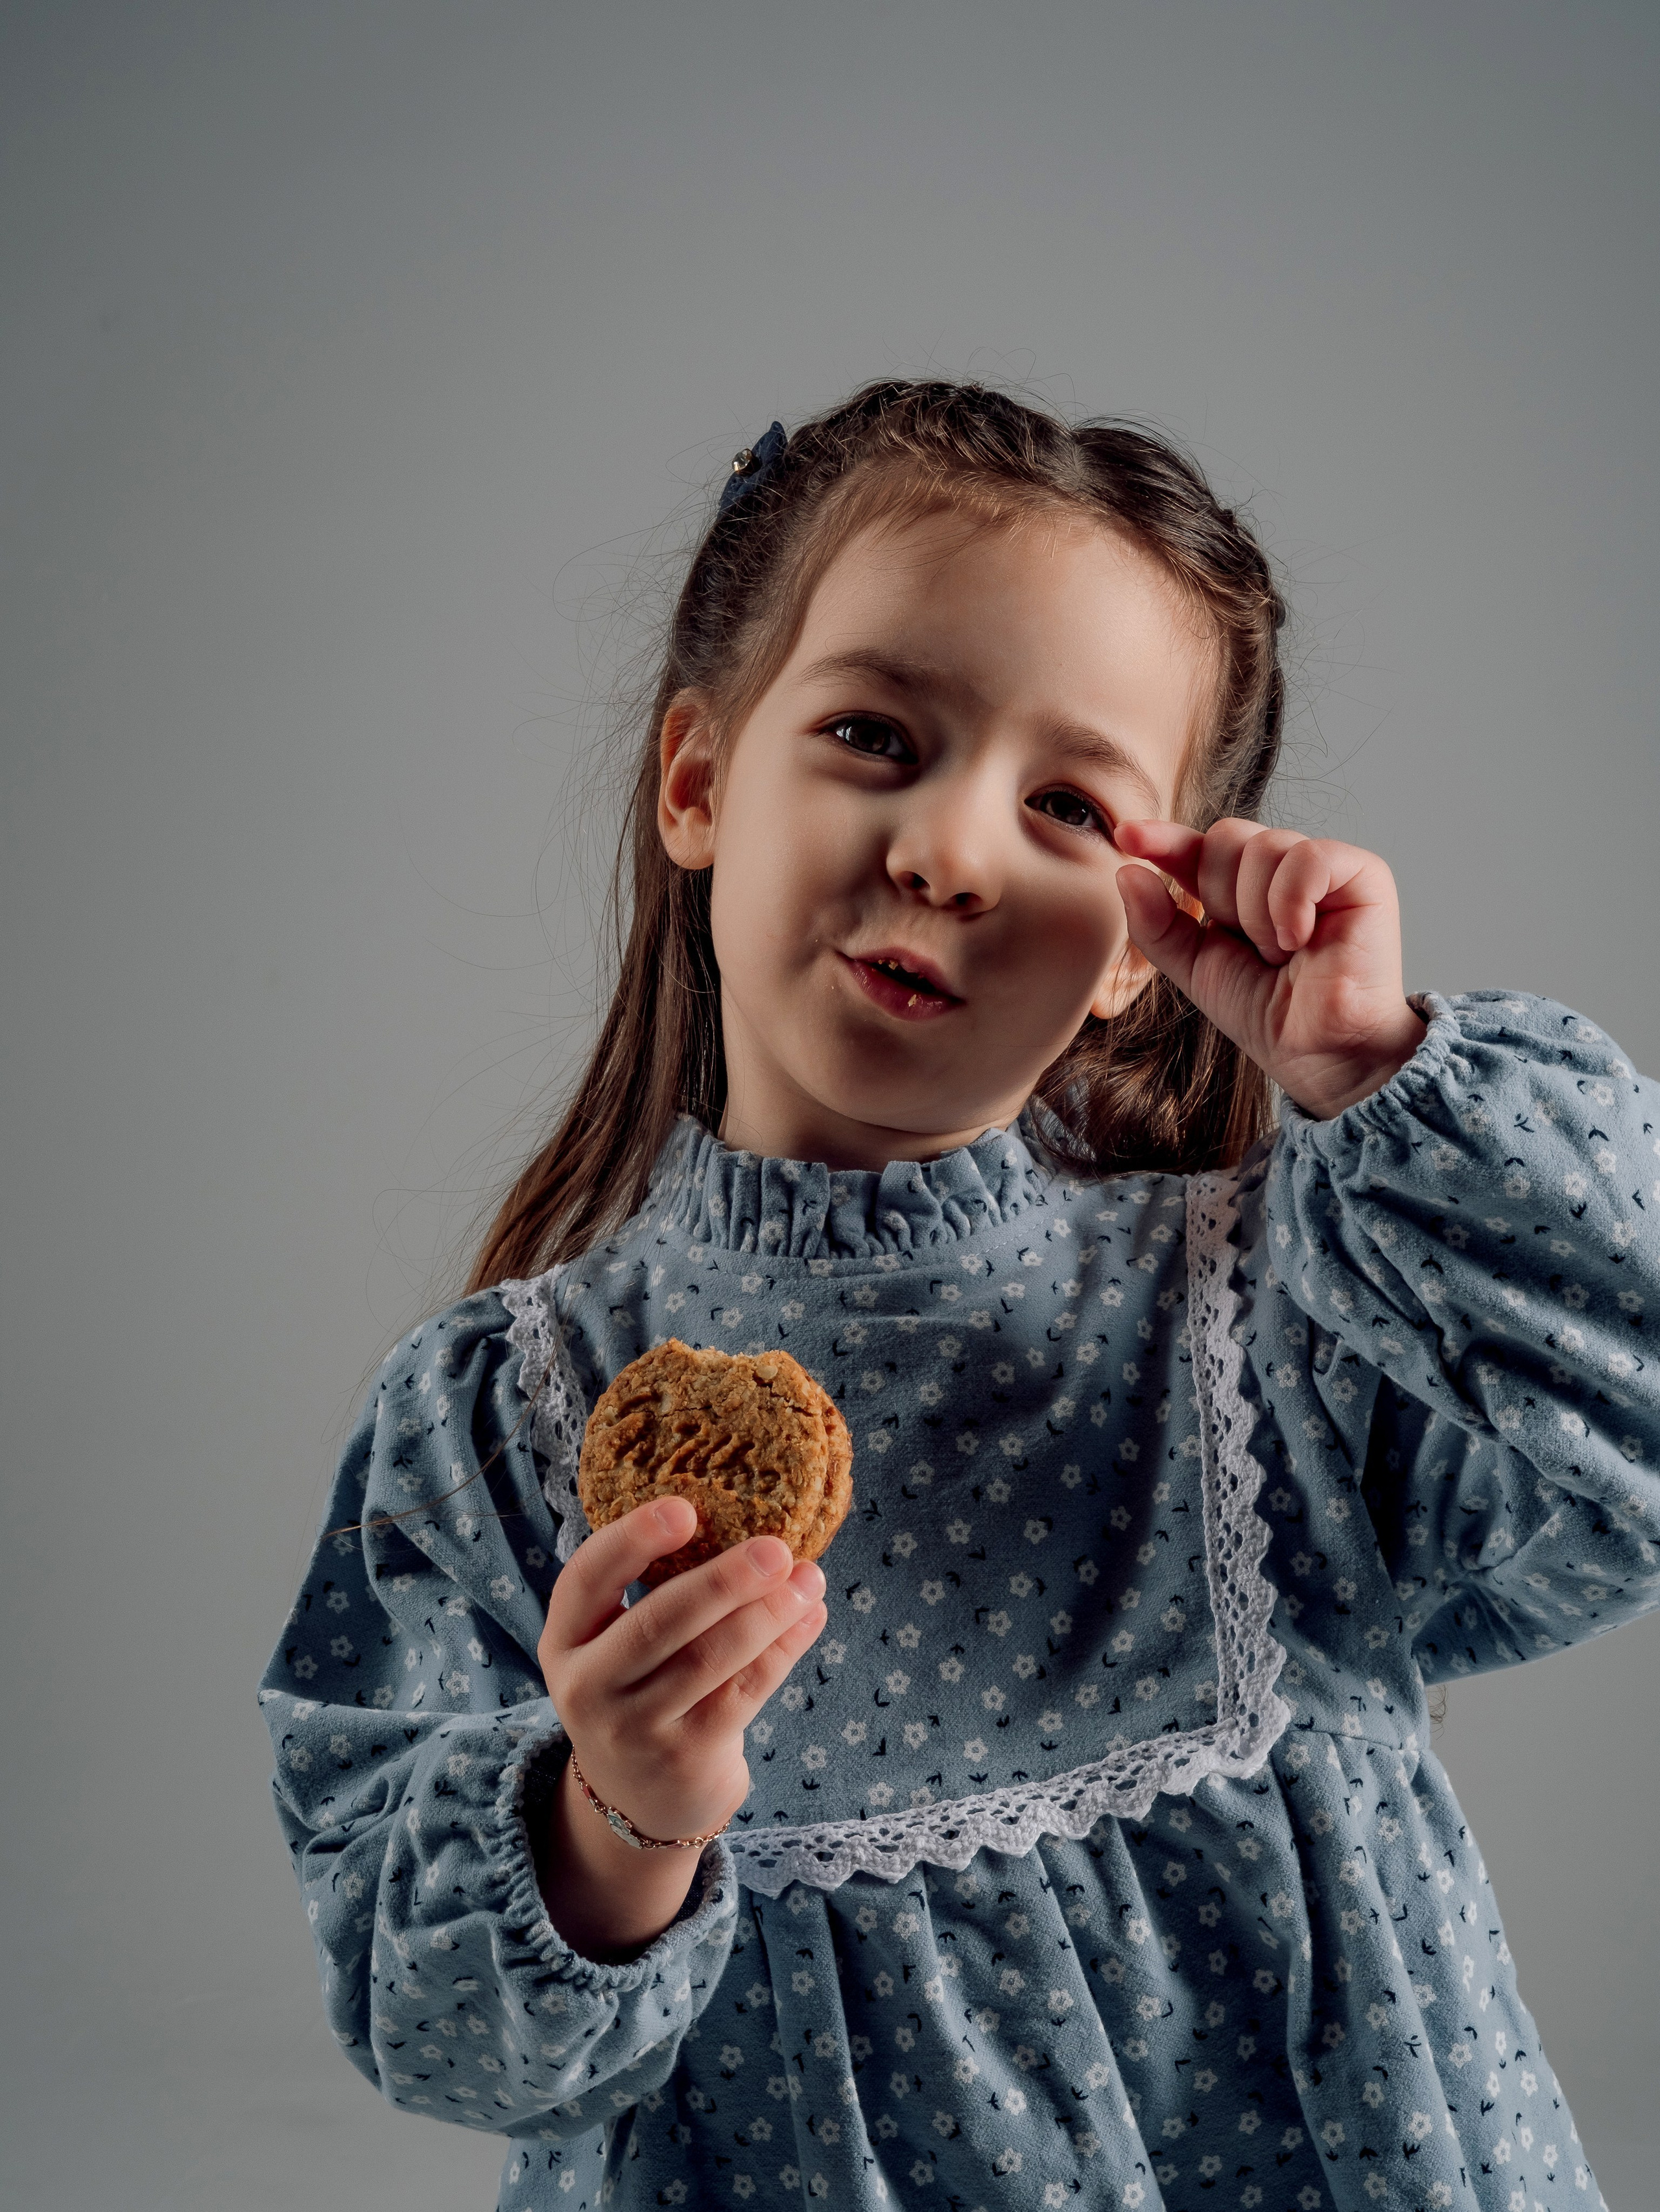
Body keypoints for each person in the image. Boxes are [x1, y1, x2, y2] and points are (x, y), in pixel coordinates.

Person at [261, 381, 1655, 2212]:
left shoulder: (1287, 1317)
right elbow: (440, 2030)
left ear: (1138, 959)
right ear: (697, 780)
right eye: (872, 731)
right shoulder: (495, 1428)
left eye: (1068, 802)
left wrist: (1381, 1068)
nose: (948, 849)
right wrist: (623, 1807)